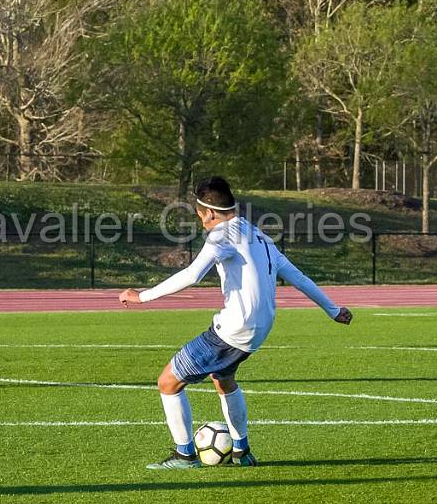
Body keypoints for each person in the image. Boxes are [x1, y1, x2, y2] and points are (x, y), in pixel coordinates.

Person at [120, 176, 352, 469]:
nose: (201, 222)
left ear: (211, 213)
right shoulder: (259, 235)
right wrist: (332, 310)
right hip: (259, 329)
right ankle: (242, 452)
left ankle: (184, 455)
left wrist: (142, 296)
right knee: (224, 380)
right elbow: (297, 276)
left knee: (167, 382)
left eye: (200, 215)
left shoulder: (221, 236)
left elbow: (192, 275)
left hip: (234, 329)